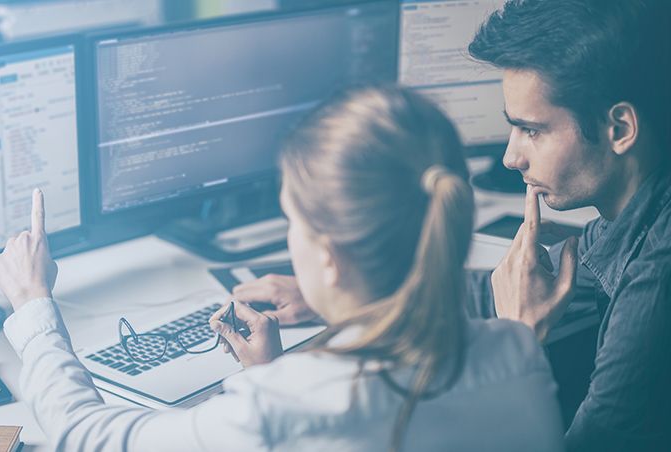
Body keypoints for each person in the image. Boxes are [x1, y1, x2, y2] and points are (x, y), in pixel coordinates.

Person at [0, 86, 564, 451]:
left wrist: (33, 305)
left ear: (329, 257)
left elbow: (83, 436)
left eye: (292, 218)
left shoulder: (290, 404)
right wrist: (263, 374)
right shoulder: (516, 350)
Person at [238, 1, 671, 451]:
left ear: (620, 128)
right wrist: (347, 287)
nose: (511, 157)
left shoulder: (658, 278)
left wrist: (520, 339)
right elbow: (498, 289)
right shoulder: (633, 216)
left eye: (532, 130)